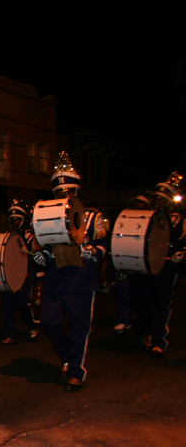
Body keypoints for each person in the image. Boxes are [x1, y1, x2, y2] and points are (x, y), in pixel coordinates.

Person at [33, 152, 108, 390]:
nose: (63, 196)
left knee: (79, 327)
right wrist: (43, 257)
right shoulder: (48, 215)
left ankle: (76, 371)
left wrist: (93, 251)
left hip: (81, 278)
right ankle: (68, 357)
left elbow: (104, 245)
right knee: (48, 320)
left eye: (68, 191)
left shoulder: (93, 216)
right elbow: (48, 246)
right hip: (56, 278)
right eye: (59, 192)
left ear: (76, 191)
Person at [131, 173, 185, 357]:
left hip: (167, 269)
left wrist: (181, 254)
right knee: (141, 300)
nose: (157, 202)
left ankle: (158, 341)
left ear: (169, 203)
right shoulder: (145, 219)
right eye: (155, 199)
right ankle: (146, 333)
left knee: (161, 303)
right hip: (145, 267)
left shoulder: (180, 221)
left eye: (161, 200)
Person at [0, 198, 42, 345]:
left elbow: (37, 258)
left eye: (17, 219)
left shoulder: (31, 237)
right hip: (10, 276)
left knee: (23, 304)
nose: (14, 222)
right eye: (12, 220)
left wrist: (38, 280)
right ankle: (10, 334)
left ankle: (34, 325)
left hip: (26, 277)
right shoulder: (7, 237)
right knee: (7, 305)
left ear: (23, 220)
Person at [112, 195, 150, 334]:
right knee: (122, 290)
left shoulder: (149, 219)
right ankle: (123, 319)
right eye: (135, 202)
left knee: (142, 295)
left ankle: (144, 322)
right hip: (125, 260)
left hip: (141, 262)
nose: (137, 205)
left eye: (141, 203)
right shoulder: (125, 219)